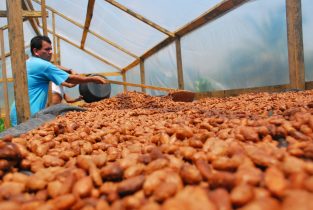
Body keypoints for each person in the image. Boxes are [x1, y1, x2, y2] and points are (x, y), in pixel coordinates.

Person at [10, 35, 108, 126]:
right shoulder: (43, 65)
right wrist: (92, 79)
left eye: (51, 49)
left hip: (18, 110)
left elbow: (55, 68)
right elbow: (70, 80)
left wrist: (69, 70)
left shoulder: (29, 62)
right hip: (29, 114)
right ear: (36, 51)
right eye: (47, 49)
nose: (51, 52)